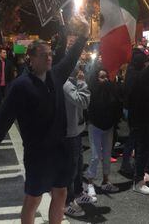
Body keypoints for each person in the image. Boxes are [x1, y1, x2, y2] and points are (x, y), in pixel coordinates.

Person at [0, 16, 89, 224]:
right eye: (44, 55)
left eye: (50, 55)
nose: (49, 58)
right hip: (38, 153)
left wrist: (83, 35)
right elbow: (4, 117)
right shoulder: (21, 85)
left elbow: (71, 57)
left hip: (59, 149)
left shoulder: (55, 75)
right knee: (33, 199)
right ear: (31, 59)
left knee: (61, 193)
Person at [123, 36, 149, 195]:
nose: (147, 61)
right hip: (141, 117)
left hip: (136, 115)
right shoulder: (139, 76)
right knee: (143, 149)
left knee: (140, 147)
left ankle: (139, 175)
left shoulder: (131, 72)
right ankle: (138, 181)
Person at [84, 68, 122, 201]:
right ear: (96, 78)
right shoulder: (92, 90)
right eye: (101, 77)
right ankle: (89, 183)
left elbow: (118, 105)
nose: (105, 80)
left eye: (106, 77)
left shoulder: (112, 89)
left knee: (106, 155)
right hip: (95, 126)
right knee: (95, 156)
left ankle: (106, 181)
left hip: (109, 126)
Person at [63, 66, 93, 217]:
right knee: (71, 168)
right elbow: (83, 101)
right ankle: (67, 202)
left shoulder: (70, 82)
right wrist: (82, 82)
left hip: (76, 131)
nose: (79, 67)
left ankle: (77, 193)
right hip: (70, 133)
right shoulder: (66, 84)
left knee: (78, 164)